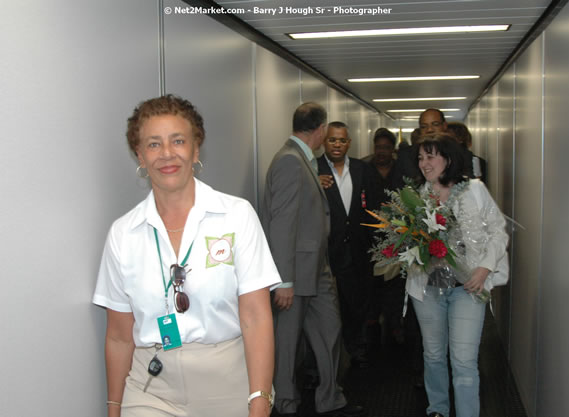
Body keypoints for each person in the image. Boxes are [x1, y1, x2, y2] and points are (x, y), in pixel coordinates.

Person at [92, 95, 280, 417]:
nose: (167, 154)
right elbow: (120, 337)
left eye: (178, 141)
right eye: (153, 144)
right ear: (139, 155)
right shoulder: (124, 233)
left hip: (228, 384)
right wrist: (114, 408)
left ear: (196, 149)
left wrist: (259, 401)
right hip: (151, 386)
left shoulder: (236, 216)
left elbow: (256, 318)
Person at [261, 103, 365, 417]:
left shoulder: (301, 161)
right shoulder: (290, 162)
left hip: (318, 269)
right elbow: (281, 225)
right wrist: (285, 281)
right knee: (288, 344)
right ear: (319, 130)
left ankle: (330, 399)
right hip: (295, 274)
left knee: (330, 331)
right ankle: (285, 404)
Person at [407, 134, 509, 417]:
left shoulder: (474, 190)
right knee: (434, 355)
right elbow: (405, 240)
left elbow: (498, 232)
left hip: (468, 287)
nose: (424, 164)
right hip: (427, 289)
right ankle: (437, 409)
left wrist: (485, 267)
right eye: (420, 158)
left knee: (464, 362)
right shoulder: (415, 195)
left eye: (430, 157)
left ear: (448, 159)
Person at [317, 121, 373, 367]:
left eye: (341, 140)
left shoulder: (362, 169)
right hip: (326, 249)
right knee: (323, 308)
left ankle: (357, 348)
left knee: (355, 302)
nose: (337, 144)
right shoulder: (313, 170)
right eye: (332, 140)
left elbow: (374, 206)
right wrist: (313, 184)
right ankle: (321, 362)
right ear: (324, 142)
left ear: (349, 143)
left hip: (357, 248)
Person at [365, 128, 406, 348]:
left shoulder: (402, 171)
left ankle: (395, 325)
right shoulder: (364, 169)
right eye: (378, 147)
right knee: (372, 285)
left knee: (396, 285)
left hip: (397, 238)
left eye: (386, 147)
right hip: (369, 238)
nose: (381, 152)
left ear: (393, 150)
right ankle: (372, 324)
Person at [397, 109, 449, 178]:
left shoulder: (458, 153)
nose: (429, 130)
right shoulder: (406, 157)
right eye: (424, 127)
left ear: (444, 126)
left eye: (435, 124)